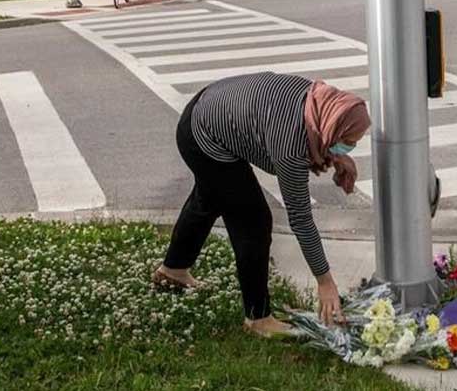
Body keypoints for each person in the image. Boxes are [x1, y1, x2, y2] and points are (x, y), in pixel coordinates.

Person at [153, 73, 370, 336]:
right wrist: (325, 282)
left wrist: (333, 155)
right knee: (253, 221)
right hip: (203, 135)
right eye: (346, 142)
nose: (350, 147)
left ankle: (173, 270)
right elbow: (301, 220)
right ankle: (258, 318)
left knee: (211, 195)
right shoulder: (290, 147)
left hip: (210, 107)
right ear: (332, 127)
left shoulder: (316, 99)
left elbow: (320, 132)